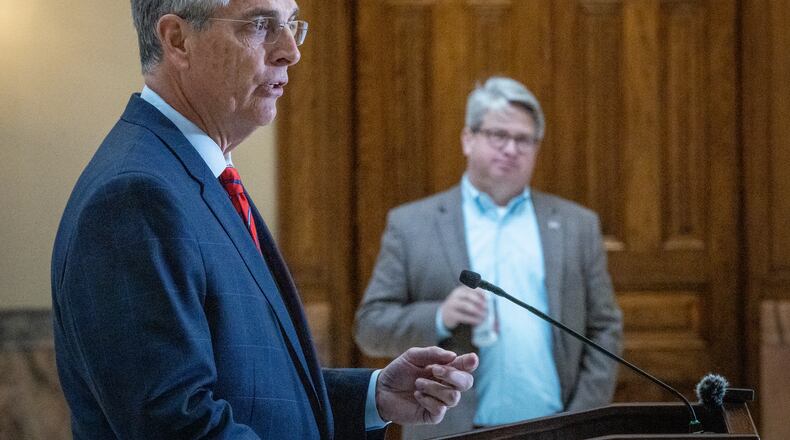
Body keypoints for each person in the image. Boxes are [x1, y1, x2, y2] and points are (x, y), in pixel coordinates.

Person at [50, 1, 478, 438]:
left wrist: (372, 396)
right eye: (259, 24)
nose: (290, 51)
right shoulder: (134, 197)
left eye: (291, 24)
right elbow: (179, 426)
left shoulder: (195, 173)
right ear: (178, 40)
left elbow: (248, 386)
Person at [354, 77, 623, 439]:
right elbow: (370, 327)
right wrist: (438, 316)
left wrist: (581, 421)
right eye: (498, 134)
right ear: (468, 139)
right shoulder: (412, 225)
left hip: (557, 429)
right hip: (453, 431)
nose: (511, 148)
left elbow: (604, 329)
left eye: (523, 139)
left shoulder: (578, 226)